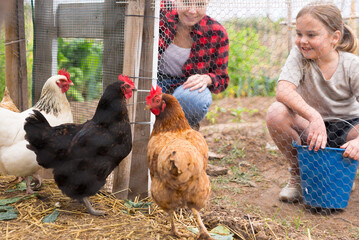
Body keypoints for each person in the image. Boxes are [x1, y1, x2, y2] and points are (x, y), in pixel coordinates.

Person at [266, 2, 359, 202]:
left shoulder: (351, 65)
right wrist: (313, 115)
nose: (302, 41)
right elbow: (283, 90)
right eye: (299, 34)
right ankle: (298, 176)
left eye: (311, 35)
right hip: (310, 127)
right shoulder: (299, 56)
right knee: (276, 112)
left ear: (334, 37)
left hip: (349, 128)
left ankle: (343, 173)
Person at [157, 0, 229, 129]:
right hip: (156, 79)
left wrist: (207, 78)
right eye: (186, 2)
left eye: (200, 4)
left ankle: (181, 131)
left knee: (194, 101)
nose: (192, 10)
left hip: (186, 85)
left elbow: (222, 79)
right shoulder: (160, 17)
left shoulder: (216, 32)